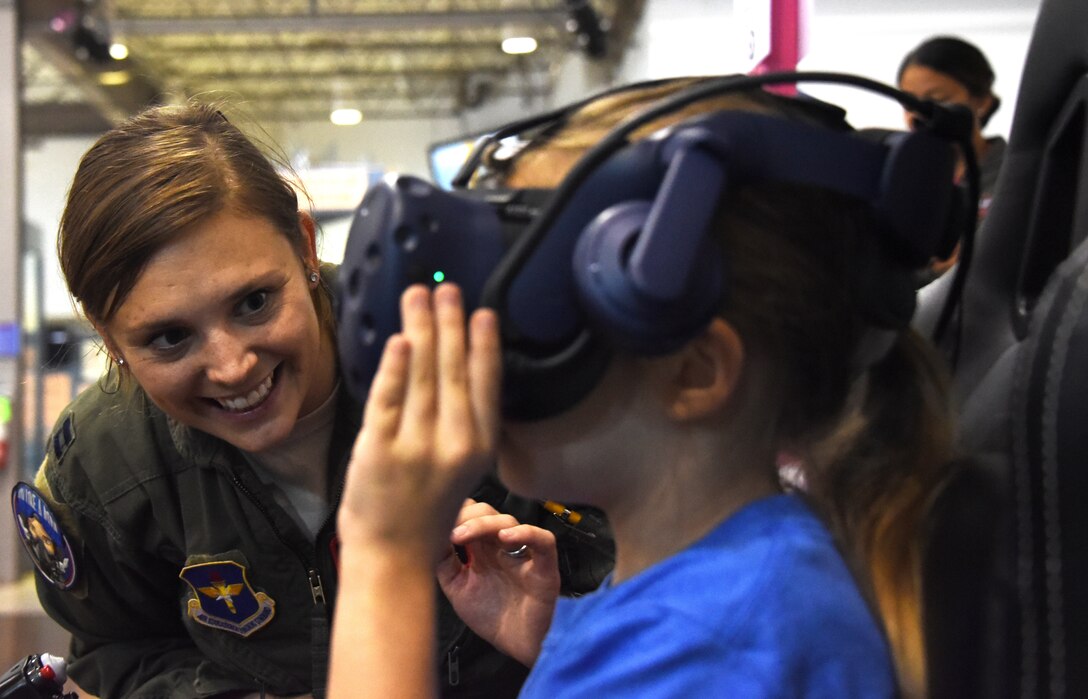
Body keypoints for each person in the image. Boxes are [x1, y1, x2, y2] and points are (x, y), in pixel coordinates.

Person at [329, 79, 962, 698]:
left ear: (693, 371)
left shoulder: (714, 640)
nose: (487, 351)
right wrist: (557, 648)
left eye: (533, 304)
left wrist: (384, 556)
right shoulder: (732, 589)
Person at [24, 102, 611, 699]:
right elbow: (114, 649)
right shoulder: (103, 463)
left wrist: (556, 640)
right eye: (170, 338)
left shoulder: (475, 357)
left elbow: (639, 600)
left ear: (305, 247)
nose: (232, 367)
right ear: (108, 338)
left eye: (254, 302)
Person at [897, 35, 1006, 279]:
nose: (918, 115)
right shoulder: (904, 175)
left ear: (982, 102)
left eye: (937, 100)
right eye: (908, 104)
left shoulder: (1015, 175)